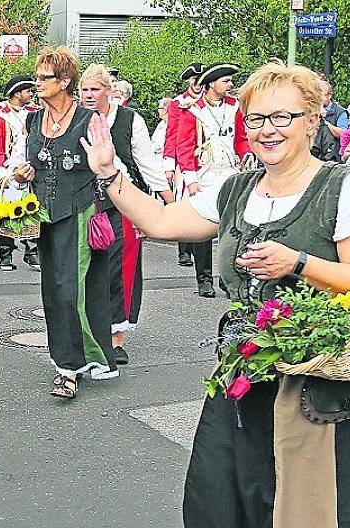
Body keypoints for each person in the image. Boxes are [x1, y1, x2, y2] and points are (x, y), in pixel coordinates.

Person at [74, 60, 350, 528]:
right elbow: (161, 222)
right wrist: (109, 174)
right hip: (244, 367)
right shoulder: (237, 188)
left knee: (304, 507)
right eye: (257, 118)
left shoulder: (345, 188)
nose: (268, 130)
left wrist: (299, 264)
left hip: (321, 383)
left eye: (282, 117)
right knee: (218, 498)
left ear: (311, 121)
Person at [23, 46, 119, 397]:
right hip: (44, 215)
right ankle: (65, 359)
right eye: (37, 76)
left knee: (71, 289)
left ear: (64, 81)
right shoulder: (34, 120)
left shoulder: (87, 119)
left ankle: (72, 367)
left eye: (44, 77)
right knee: (53, 291)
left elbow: (108, 165)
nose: (37, 83)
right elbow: (35, 161)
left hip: (78, 212)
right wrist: (24, 172)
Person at [80, 64, 164, 366]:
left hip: (124, 199)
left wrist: (165, 201)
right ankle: (87, 332)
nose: (89, 95)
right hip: (85, 201)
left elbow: (146, 160)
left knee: (120, 268)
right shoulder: (75, 118)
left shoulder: (129, 119)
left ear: (108, 91)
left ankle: (116, 337)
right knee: (84, 269)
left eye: (95, 89)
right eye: (85, 90)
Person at [175, 62, 256, 298]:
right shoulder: (193, 110)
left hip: (230, 173)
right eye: (226, 81)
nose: (230, 85)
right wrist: (190, 178)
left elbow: (241, 138)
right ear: (212, 84)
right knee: (204, 228)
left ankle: (228, 277)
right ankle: (204, 279)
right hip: (205, 175)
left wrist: (246, 154)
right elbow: (185, 145)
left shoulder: (235, 108)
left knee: (233, 227)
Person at [0, 75, 40, 271]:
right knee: (7, 213)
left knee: (32, 209)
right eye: (28, 91)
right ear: (17, 94)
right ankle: (6, 255)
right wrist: (0, 173)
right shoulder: (0, 116)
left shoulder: (34, 113)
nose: (31, 94)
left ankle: (32, 252)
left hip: (31, 169)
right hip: (9, 170)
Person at [164, 62, 204, 268]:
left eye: (200, 79)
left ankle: (199, 249)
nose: (197, 83)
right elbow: (172, 134)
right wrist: (169, 164)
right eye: (193, 79)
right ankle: (183, 250)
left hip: (205, 161)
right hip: (183, 159)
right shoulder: (179, 103)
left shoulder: (210, 103)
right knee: (183, 204)